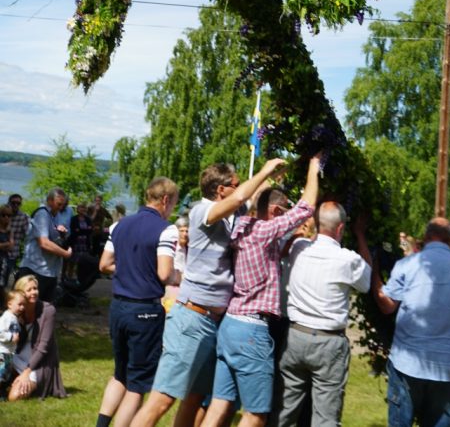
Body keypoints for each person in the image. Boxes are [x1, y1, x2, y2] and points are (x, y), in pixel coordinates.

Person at [130, 157, 287, 427]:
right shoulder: (201, 212)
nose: (239, 188)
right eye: (235, 184)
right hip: (192, 319)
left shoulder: (230, 217)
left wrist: (271, 181)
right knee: (163, 398)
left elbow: (251, 197)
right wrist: (264, 171)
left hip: (215, 323)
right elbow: (241, 198)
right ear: (220, 190)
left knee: (195, 398)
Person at [201, 154, 321, 427]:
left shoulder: (242, 227)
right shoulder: (265, 231)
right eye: (283, 210)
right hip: (252, 331)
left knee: (220, 406)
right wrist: (314, 168)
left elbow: (271, 253)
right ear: (276, 212)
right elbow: (306, 208)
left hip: (230, 326)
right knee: (256, 414)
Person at [272, 201, 371, 427]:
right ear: (340, 229)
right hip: (328, 341)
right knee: (326, 417)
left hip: (296, 336)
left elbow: (289, 248)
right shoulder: (348, 259)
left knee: (284, 411)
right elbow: (366, 281)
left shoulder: (300, 249)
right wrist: (361, 236)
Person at [373, 217, 450, 427]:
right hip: (447, 365)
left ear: (427, 238)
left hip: (409, 362)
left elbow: (386, 305)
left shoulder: (408, 265)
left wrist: (374, 274)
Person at [95, 176, 179, 427]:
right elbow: (165, 274)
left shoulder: (119, 225)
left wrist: (132, 268)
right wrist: (181, 275)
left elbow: (104, 264)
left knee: (120, 373)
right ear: (165, 200)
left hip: (118, 307)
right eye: (174, 203)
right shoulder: (166, 229)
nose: (173, 208)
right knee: (137, 384)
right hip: (145, 311)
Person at [7, 274, 67, 400]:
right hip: (17, 356)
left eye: (35, 288)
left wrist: (26, 373)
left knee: (14, 397)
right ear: (21, 293)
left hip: (39, 364)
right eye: (29, 290)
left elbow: (43, 347)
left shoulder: (48, 310)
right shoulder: (16, 310)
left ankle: (21, 381)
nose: (34, 292)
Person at [15, 187, 72, 302]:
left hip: (49, 270)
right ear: (50, 200)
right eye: (58, 204)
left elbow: (54, 238)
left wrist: (62, 234)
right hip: (35, 269)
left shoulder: (56, 215)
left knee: (45, 309)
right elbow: (44, 243)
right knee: (26, 306)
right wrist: (65, 254)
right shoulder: (42, 214)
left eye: (63, 205)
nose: (61, 207)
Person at [0, 289, 25, 387]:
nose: (22, 307)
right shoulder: (6, 317)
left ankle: (2, 391)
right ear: (9, 304)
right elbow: (1, 332)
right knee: (1, 371)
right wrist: (11, 337)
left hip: (9, 351)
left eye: (23, 305)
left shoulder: (14, 317)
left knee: (6, 372)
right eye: (19, 304)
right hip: (2, 351)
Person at [7, 194, 29, 278]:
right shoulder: (2, 213)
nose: (16, 205)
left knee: (4, 281)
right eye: (13, 203)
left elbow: (27, 235)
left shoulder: (23, 217)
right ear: (9, 203)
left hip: (12, 254)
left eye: (18, 203)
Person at [0, 205, 14, 288]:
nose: (6, 217)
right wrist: (6, 244)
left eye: (9, 215)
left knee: (2, 285)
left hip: (5, 261)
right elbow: (9, 244)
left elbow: (11, 246)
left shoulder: (9, 230)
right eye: (3, 215)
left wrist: (3, 245)